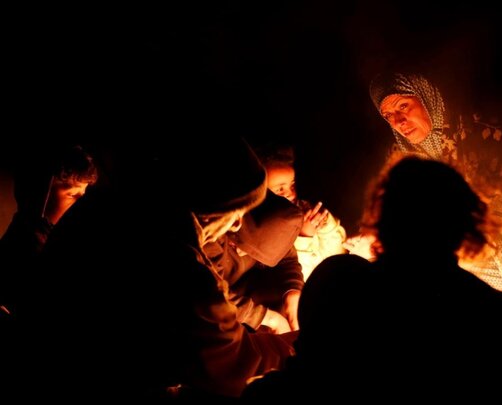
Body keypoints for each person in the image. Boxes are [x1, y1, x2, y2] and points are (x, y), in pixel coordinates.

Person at [242, 156, 502, 402]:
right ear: (462, 222)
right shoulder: (493, 310)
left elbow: (306, 373)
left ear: (382, 217)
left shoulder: (338, 284)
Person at [11, 139, 297, 401]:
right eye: (235, 215)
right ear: (207, 207)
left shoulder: (111, 205)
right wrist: (294, 346)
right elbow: (233, 367)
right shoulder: (172, 260)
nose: (235, 227)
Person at [365, 71, 502, 291]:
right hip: (448, 249)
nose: (398, 122)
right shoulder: (402, 158)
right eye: (388, 115)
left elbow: (482, 205)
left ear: (425, 96)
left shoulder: (476, 129)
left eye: (403, 106)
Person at [0, 144, 98, 315]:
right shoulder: (25, 242)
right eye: (72, 194)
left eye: (83, 195)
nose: (79, 203)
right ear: (42, 194)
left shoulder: (56, 238)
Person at [204, 191, 305, 333]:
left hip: (246, 291)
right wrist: (270, 319)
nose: (243, 254)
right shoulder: (210, 239)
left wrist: (293, 290)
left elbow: (288, 259)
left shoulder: (276, 232)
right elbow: (212, 294)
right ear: (236, 226)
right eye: (252, 251)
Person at [256, 144, 346, 280]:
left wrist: (327, 228)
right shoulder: (263, 234)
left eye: (292, 185)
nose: (291, 193)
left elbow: (339, 257)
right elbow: (299, 277)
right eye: (280, 189)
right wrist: (304, 237)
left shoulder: (304, 209)